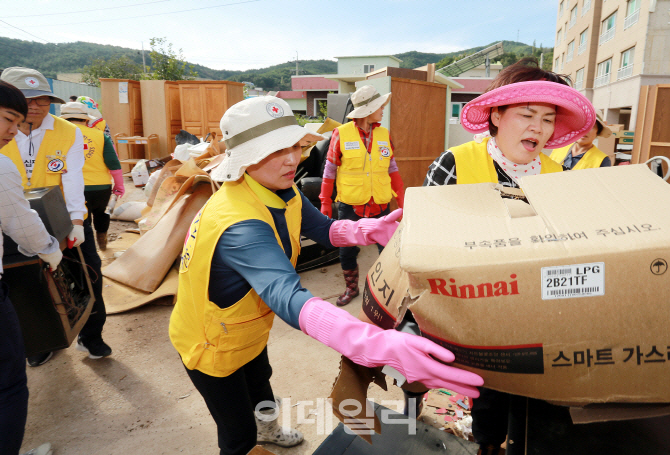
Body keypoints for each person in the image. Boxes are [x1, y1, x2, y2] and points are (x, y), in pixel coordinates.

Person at [169, 96, 483, 455]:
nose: (291, 158)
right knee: (237, 432)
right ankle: (249, 439)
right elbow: (287, 296)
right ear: (244, 158)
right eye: (274, 151)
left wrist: (366, 230)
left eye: (293, 145)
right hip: (210, 342)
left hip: (246, 328)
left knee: (260, 382)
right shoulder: (239, 223)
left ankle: (268, 430)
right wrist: (371, 343)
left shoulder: (278, 189)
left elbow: (323, 228)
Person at [424, 59, 595, 455]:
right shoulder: (454, 164)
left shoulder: (560, 178)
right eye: (527, 114)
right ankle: (487, 444)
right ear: (496, 115)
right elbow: (424, 242)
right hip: (477, 312)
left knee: (533, 405)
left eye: (549, 118)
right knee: (488, 391)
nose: (538, 127)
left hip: (543, 314)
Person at [0, 67, 111, 366]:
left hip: (61, 215)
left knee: (88, 274)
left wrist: (76, 221)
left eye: (43, 99)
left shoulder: (68, 131)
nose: (35, 106)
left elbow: (73, 177)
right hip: (12, 216)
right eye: (27, 99)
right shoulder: (3, 131)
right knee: (25, 282)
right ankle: (39, 342)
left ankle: (91, 336)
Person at [0, 80, 61, 455]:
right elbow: (21, 223)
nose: (12, 131)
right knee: (8, 383)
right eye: (8, 119)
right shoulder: (1, 166)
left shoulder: (69, 134)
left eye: (17, 123)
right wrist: (50, 250)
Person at [318, 85, 405, 306]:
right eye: (380, 106)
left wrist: (402, 198)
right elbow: (329, 170)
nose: (383, 109)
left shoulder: (384, 134)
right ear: (368, 110)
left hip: (381, 204)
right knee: (346, 250)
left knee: (388, 249)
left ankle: (391, 289)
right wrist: (325, 201)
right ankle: (352, 288)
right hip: (350, 204)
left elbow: (392, 168)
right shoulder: (341, 133)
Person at [60, 102, 124, 250]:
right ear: (86, 120)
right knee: (102, 214)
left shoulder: (59, 137)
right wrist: (119, 185)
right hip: (101, 187)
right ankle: (102, 243)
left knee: (82, 220)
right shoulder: (100, 135)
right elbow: (113, 163)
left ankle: (88, 250)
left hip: (72, 188)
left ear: (63, 120)